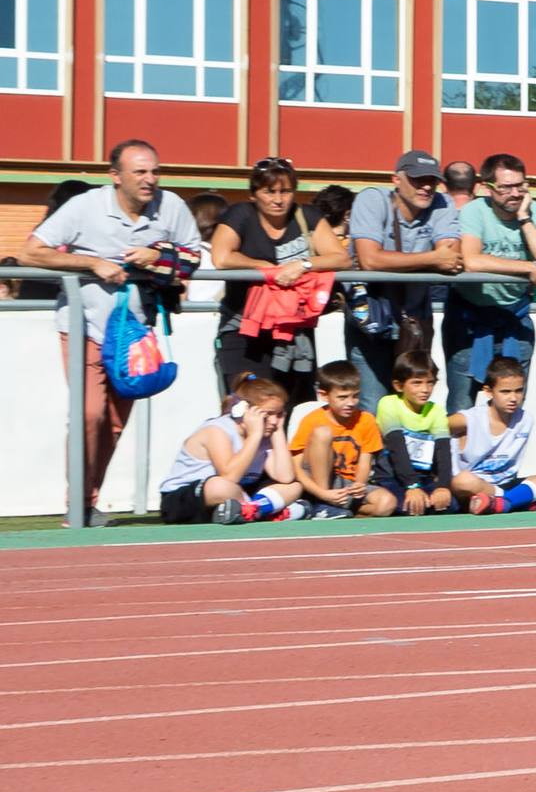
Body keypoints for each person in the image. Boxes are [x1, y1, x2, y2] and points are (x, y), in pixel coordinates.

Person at [17, 140, 202, 526]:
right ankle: (76, 505)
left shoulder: (172, 206)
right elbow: (31, 252)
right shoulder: (86, 206)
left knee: (115, 423)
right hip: (84, 326)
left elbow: (194, 255)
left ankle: (88, 502)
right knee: (89, 414)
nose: (150, 180)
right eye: (140, 172)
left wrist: (159, 255)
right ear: (115, 176)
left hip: (137, 334)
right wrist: (92, 263)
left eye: (154, 171)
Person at [206, 157, 346, 406]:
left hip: (293, 332)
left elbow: (341, 259)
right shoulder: (240, 214)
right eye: (269, 192)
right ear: (254, 194)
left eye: (286, 191)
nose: (279, 199)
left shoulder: (307, 216)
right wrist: (266, 269)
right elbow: (222, 257)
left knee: (287, 411)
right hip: (244, 331)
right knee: (247, 408)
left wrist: (302, 265)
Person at [448, 153, 536, 406]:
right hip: (469, 319)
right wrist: (527, 268)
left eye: (521, 186)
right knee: (461, 407)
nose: (515, 193)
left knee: (512, 407)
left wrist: (525, 218)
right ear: (486, 188)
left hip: (515, 318)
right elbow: (472, 260)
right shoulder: (473, 211)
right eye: (506, 187)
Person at [346, 151, 464, 389]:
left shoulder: (443, 203)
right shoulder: (372, 199)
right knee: (373, 406)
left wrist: (394, 261)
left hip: (414, 322)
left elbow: (451, 259)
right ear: (396, 180)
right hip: (371, 320)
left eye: (432, 180)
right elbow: (370, 260)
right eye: (417, 179)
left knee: (411, 410)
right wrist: (432, 258)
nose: (426, 187)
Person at [159, 374, 303, 525]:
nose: (273, 421)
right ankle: (264, 510)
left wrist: (279, 431)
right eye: (267, 414)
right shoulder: (217, 430)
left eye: (279, 414)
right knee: (218, 486)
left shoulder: (268, 433)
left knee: (294, 486)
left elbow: (285, 477)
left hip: (235, 496)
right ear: (244, 411)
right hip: (186, 499)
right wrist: (254, 436)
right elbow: (229, 476)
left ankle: (251, 510)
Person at [452, 356, 536, 513]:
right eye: (505, 392)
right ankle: (517, 501)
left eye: (519, 391)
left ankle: (502, 503)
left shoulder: (526, 419)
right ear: (488, 391)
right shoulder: (470, 419)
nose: (513, 398)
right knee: (462, 481)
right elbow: (437, 425)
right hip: (476, 485)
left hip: (507, 483)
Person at [291, 360, 395, 518]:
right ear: (324, 395)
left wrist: (359, 484)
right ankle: (322, 504)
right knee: (322, 433)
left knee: (387, 503)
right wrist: (322, 493)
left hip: (345, 483)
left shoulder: (366, 420)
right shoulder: (312, 420)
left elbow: (365, 461)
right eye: (343, 397)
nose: (350, 403)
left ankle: (343, 512)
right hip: (315, 482)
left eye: (355, 396)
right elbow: (297, 468)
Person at [373, 350, 456, 515]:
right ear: (399, 386)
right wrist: (412, 486)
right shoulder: (388, 404)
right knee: (406, 508)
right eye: (417, 383)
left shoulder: (436, 411)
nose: (425, 389)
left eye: (430, 383)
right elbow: (397, 448)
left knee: (450, 506)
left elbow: (443, 452)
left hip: (423, 478)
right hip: (392, 478)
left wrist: (443, 487)